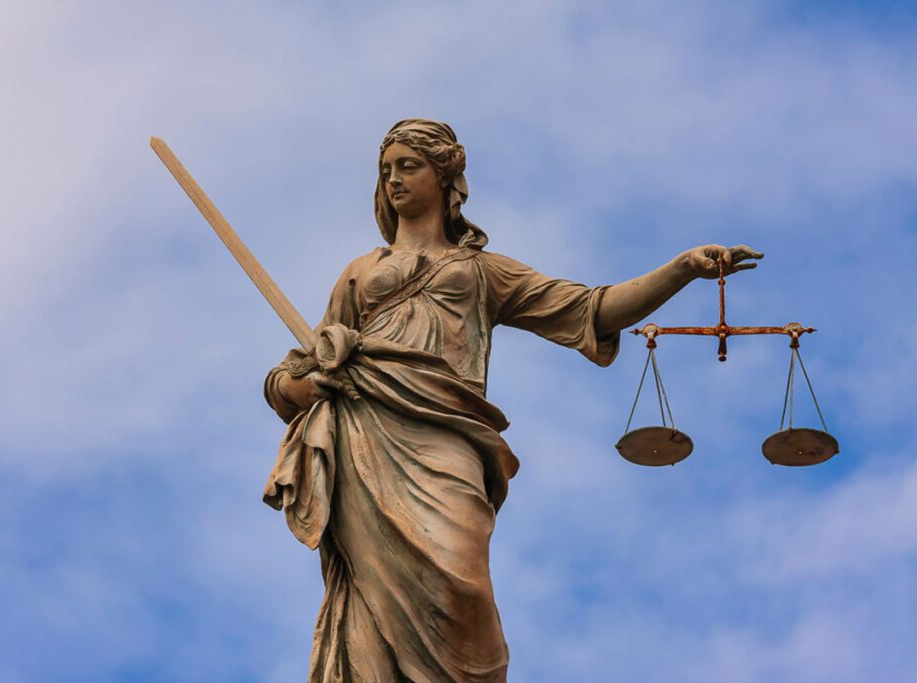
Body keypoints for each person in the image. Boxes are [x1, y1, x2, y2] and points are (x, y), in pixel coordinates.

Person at [262, 119, 761, 682]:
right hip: (364, 440)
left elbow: (592, 309)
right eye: (386, 171)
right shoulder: (360, 273)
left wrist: (681, 270)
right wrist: (303, 387)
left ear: (446, 176)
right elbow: (291, 376)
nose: (393, 180)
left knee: (461, 585)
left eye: (408, 166)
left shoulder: (483, 273)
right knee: (368, 595)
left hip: (446, 441)